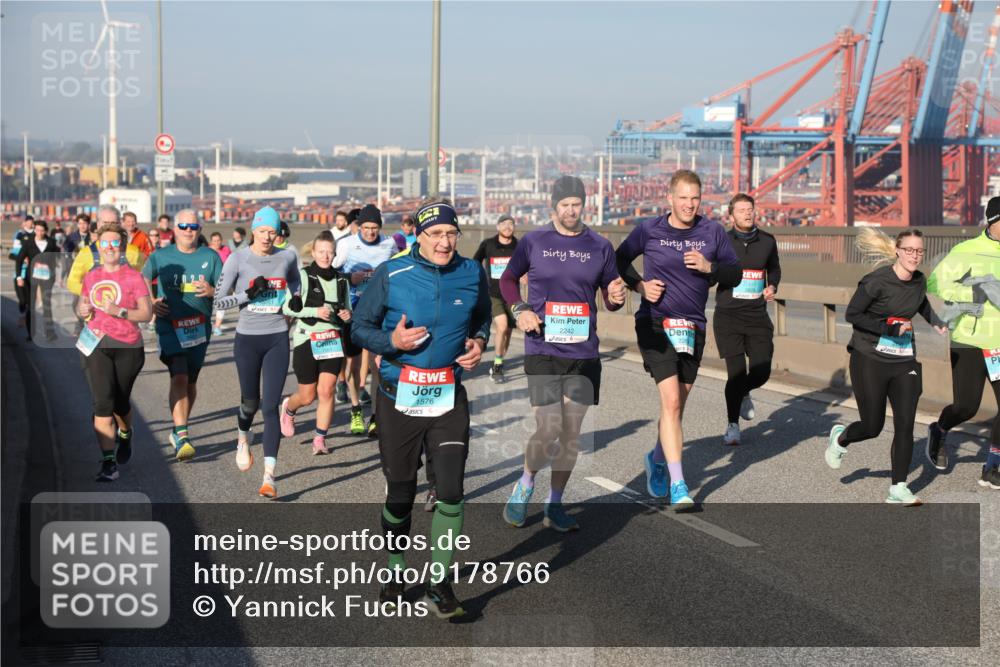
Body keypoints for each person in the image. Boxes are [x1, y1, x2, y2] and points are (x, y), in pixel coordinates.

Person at [351, 199, 490, 619]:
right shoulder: (392, 272)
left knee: (451, 491)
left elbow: (482, 318)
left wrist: (478, 343)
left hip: (448, 397)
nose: (445, 243)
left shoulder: (471, 272)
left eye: (451, 234)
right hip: (398, 398)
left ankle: (439, 583)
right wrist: (391, 342)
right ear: (418, 236)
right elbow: (359, 327)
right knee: (400, 493)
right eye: (436, 235)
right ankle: (395, 571)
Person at [500, 176, 628, 530]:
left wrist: (615, 298)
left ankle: (554, 504)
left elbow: (611, 296)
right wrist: (520, 309)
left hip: (583, 353)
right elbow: (507, 280)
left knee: (571, 432)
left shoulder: (600, 246)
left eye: (577, 204)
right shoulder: (534, 241)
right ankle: (525, 483)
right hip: (542, 346)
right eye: (565, 205)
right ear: (553, 206)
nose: (571, 211)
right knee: (549, 426)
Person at [615, 170, 741, 504]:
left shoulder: (712, 231)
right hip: (655, 322)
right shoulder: (649, 229)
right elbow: (619, 258)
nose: (689, 204)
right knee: (671, 401)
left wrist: (710, 267)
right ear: (669, 198)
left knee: (677, 406)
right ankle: (679, 485)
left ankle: (657, 459)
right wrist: (640, 285)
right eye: (683, 197)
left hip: (692, 328)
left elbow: (736, 273)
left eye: (695, 198)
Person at [824, 228, 948, 505]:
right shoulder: (876, 281)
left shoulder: (919, 280)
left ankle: (898, 488)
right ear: (897, 251)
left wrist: (936, 321)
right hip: (869, 357)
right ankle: (841, 439)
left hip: (904, 359)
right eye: (909, 250)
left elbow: (920, 303)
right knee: (872, 426)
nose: (914, 256)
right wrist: (888, 328)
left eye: (919, 251)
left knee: (905, 425)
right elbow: (852, 314)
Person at [213, 206, 300, 498]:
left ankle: (269, 477)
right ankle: (242, 437)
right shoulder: (238, 258)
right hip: (247, 339)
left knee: (270, 406)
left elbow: (296, 281)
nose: (267, 237)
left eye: (272, 232)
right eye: (262, 231)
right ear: (253, 231)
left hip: (277, 337)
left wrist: (296, 300)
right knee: (250, 404)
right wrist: (248, 294)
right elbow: (218, 302)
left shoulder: (287, 256)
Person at [926, 196, 1000, 489]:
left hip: (999, 345)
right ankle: (940, 429)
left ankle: (993, 466)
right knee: (967, 406)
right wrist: (973, 293)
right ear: (992, 222)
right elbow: (936, 283)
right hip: (969, 340)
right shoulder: (967, 251)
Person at [143, 209, 224, 461]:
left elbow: (226, 289)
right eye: (183, 226)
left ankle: (178, 428)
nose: (189, 230)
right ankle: (183, 435)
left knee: (190, 382)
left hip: (199, 327)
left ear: (200, 229)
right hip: (169, 325)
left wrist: (212, 291)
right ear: (175, 229)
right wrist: (151, 301)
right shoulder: (161, 255)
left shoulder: (210, 256)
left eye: (193, 226)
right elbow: (142, 278)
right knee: (179, 374)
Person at [75, 222, 153, 481]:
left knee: (120, 402)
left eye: (115, 243)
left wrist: (119, 311)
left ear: (122, 246)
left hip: (128, 346)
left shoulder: (133, 277)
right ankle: (108, 462)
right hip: (96, 344)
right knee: (103, 404)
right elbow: (83, 305)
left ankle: (126, 433)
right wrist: (82, 310)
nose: (109, 247)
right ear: (98, 246)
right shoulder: (91, 276)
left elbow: (146, 313)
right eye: (105, 243)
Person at [713, 193, 781, 445]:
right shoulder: (722, 242)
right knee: (736, 373)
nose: (747, 213)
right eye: (741, 210)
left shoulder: (767, 241)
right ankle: (732, 425)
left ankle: (743, 392)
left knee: (762, 371)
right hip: (728, 316)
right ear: (731, 216)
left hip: (756, 316)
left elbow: (774, 269)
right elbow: (711, 272)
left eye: (750, 209)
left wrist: (772, 286)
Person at [279, 231, 353, 454]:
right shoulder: (302, 277)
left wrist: (347, 315)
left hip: (332, 340)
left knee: (327, 391)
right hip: (307, 338)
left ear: (335, 254)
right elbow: (287, 307)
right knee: (308, 395)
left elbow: (348, 308)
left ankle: (320, 439)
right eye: (321, 251)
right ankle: (289, 408)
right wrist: (315, 311)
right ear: (313, 252)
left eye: (330, 252)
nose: (326, 256)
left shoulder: (342, 280)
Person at [333, 204, 397, 437]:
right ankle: (355, 408)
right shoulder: (346, 244)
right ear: (359, 227)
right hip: (352, 311)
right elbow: (330, 273)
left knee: (377, 365)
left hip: (378, 312)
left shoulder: (390, 244)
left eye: (375, 228)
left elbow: (398, 269)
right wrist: (350, 277)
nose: (370, 232)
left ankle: (376, 418)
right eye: (366, 227)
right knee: (352, 364)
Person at [473, 213, 518, 383]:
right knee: (502, 325)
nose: (507, 227)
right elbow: (475, 262)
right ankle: (498, 365)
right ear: (498, 227)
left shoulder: (520, 246)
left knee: (508, 333)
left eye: (511, 224)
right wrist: (478, 281)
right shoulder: (488, 244)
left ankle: (499, 360)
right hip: (493, 293)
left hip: (512, 295)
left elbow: (528, 265)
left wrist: (526, 275)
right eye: (504, 224)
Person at [66, 206, 146, 297]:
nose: (109, 227)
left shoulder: (134, 252)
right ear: (98, 225)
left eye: (113, 223)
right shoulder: (86, 253)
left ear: (120, 224)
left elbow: (144, 280)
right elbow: (72, 282)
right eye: (105, 223)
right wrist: (93, 293)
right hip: (95, 303)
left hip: (126, 304)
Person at [15, 219, 59, 342]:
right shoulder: (28, 243)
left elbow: (56, 258)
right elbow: (19, 259)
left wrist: (54, 275)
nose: (39, 233)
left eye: (42, 231)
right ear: (35, 230)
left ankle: (50, 334)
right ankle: (31, 334)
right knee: (31, 306)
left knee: (47, 305)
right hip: (31, 279)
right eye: (37, 230)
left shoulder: (51, 243)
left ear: (46, 231)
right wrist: (19, 277)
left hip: (47, 278)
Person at [10, 216, 34, 325]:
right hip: (19, 274)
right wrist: (22, 258)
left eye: (31, 222)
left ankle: (26, 319)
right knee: (22, 301)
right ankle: (23, 314)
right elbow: (12, 255)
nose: (30, 224)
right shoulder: (19, 235)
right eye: (28, 222)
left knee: (30, 300)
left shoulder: (36, 236)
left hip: (31, 275)